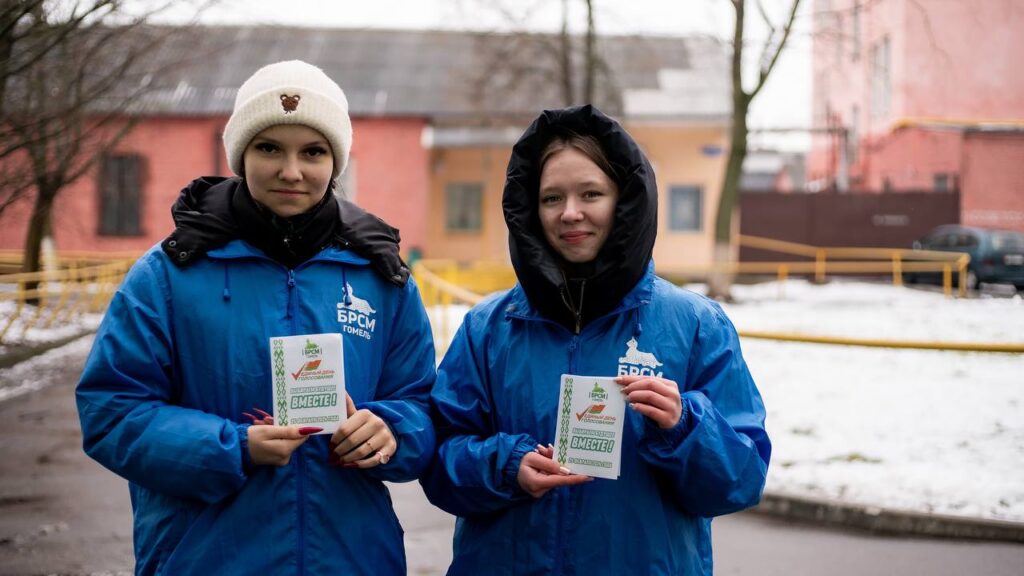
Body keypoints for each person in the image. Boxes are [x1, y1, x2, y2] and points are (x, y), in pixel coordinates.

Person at [76, 60, 436, 575]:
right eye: (270, 148)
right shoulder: (167, 276)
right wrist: (230, 448)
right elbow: (111, 413)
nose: (292, 171)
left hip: (350, 558)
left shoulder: (382, 278)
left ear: (335, 162)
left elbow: (422, 403)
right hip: (206, 557)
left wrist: (393, 432)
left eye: (312, 151)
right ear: (241, 154)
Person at [420, 105, 771, 575]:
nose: (570, 213)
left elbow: (741, 481)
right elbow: (438, 461)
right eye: (551, 198)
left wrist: (685, 426)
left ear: (626, 201)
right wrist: (505, 465)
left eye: (591, 193)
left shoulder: (695, 324)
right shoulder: (489, 327)